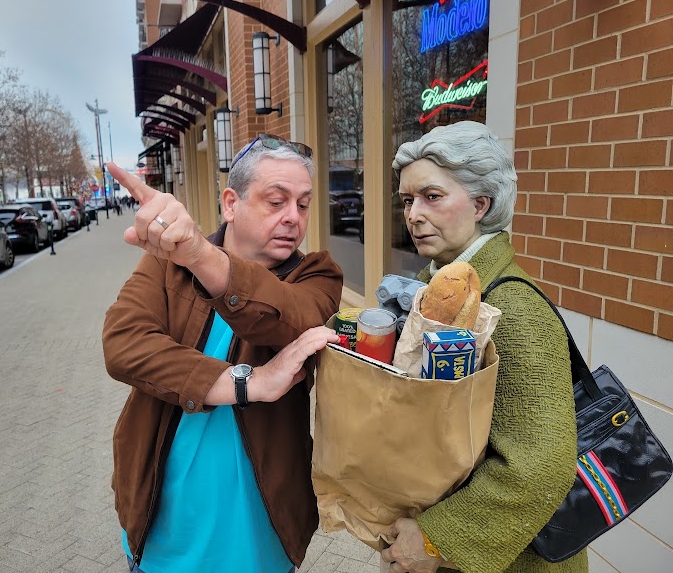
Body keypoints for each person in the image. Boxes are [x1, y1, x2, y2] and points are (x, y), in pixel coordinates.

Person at [102, 134, 343, 573]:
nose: (294, 218)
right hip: (161, 531)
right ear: (231, 204)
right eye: (277, 201)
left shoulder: (316, 275)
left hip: (260, 539)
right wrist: (248, 383)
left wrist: (200, 255)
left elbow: (294, 319)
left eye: (303, 204)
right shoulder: (165, 261)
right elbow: (123, 344)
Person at [381, 121, 585, 573]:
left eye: (432, 196)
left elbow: (540, 466)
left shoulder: (511, 306)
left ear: (480, 204)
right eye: (407, 200)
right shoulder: (438, 286)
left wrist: (434, 540)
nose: (413, 214)